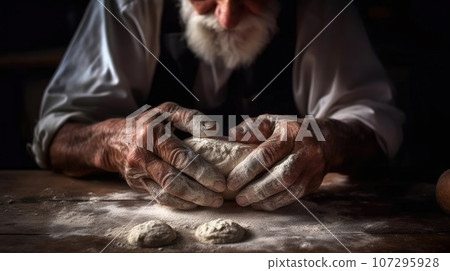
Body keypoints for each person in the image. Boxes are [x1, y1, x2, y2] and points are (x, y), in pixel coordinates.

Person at [32, 0, 404, 211]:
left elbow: (374, 123)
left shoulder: (320, 8)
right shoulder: (127, 6)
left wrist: (327, 142)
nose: (226, 17)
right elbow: (57, 133)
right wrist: (115, 141)